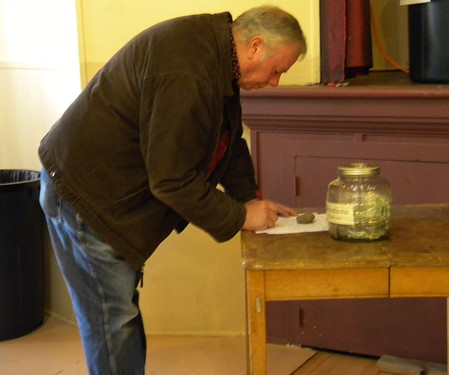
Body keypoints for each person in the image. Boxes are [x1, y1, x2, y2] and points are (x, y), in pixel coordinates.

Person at [38, 5, 306, 375]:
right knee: (112, 321)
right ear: (255, 46)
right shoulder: (189, 70)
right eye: (277, 70)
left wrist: (248, 197)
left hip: (100, 190)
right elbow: (170, 179)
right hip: (87, 196)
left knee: (117, 315)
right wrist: (240, 215)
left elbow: (228, 137)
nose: (276, 81)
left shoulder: (214, 53)